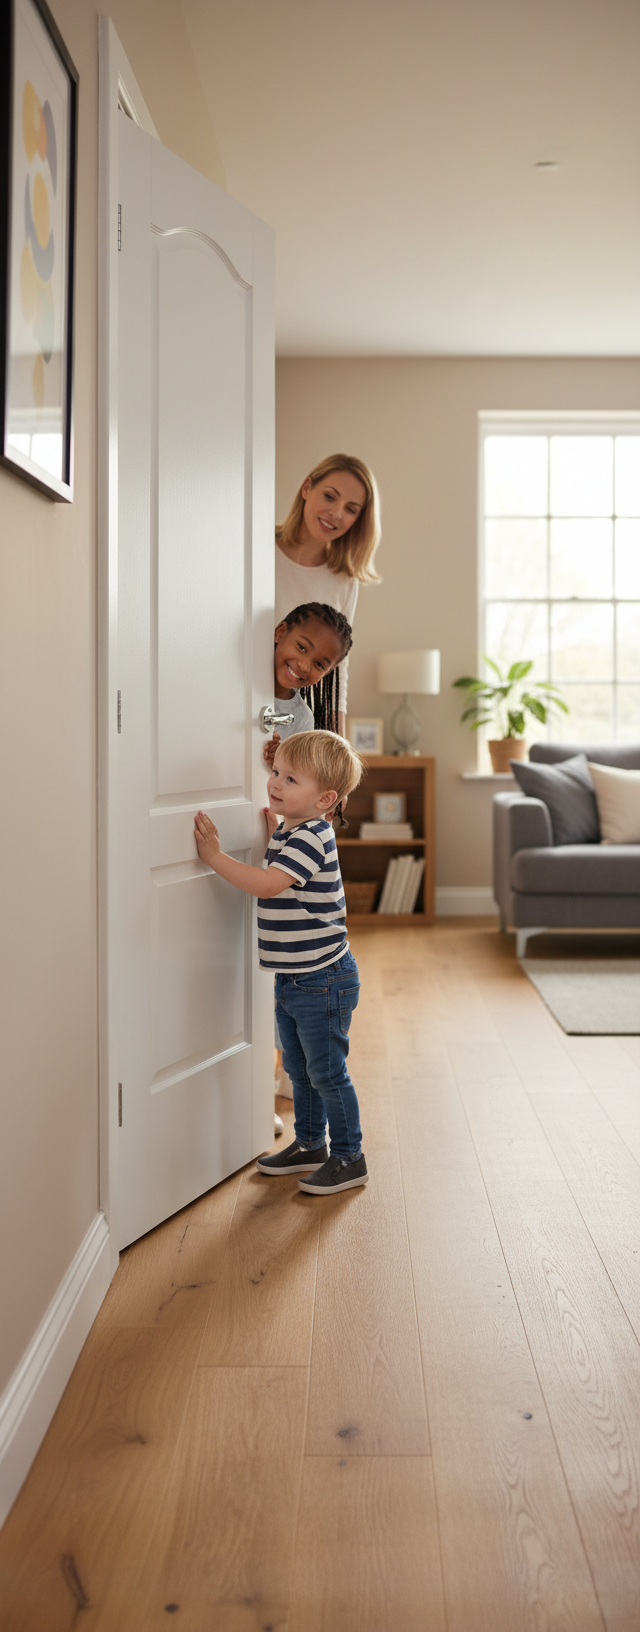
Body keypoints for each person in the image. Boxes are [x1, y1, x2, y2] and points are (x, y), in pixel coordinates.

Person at [194, 731, 368, 1195]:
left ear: (325, 799)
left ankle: (350, 1157)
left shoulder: (313, 836)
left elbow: (269, 884)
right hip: (296, 976)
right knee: (299, 1067)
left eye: (291, 778)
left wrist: (214, 857)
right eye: (276, 773)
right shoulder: (295, 827)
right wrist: (274, 829)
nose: (275, 783)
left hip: (323, 978)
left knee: (326, 1071)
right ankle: (311, 1144)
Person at [276, 455, 382, 735]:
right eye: (330, 496)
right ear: (307, 488)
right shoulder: (258, 546)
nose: (336, 513)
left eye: (351, 509)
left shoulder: (344, 579)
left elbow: (338, 667)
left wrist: (336, 741)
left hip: (292, 718)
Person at [266, 602, 354, 766]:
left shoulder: (302, 719)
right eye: (302, 647)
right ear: (281, 633)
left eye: (319, 665)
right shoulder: (237, 682)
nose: (304, 666)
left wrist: (280, 758)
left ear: (326, 673)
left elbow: (296, 777)